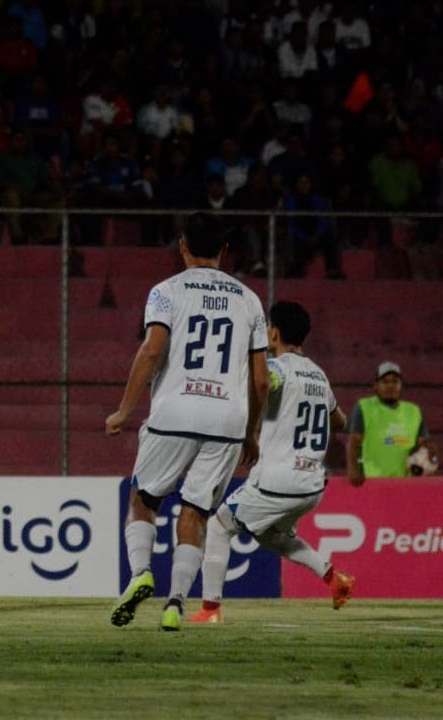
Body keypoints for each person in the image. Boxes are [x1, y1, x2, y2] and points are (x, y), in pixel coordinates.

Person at [105, 212, 269, 632]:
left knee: (143, 499)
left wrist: (125, 409)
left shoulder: (165, 292)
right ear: (225, 251)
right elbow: (262, 378)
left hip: (175, 411)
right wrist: (251, 431)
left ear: (182, 246)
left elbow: (151, 349)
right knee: (194, 511)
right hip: (228, 420)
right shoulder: (249, 299)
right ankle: (177, 600)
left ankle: (141, 572)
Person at [191, 301, 356, 624]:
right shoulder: (319, 376)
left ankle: (210, 610)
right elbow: (341, 420)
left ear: (275, 333)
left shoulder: (278, 367)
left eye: (268, 327)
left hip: (278, 481)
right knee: (272, 536)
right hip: (310, 486)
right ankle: (335, 579)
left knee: (219, 525)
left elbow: (265, 382)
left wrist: (251, 423)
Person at [346, 362, 438, 483]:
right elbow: (353, 442)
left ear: (401, 385)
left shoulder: (413, 411)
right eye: (385, 381)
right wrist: (353, 470)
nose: (390, 385)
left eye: (395, 381)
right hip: (373, 482)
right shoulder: (364, 407)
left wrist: (429, 452)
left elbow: (423, 443)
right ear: (376, 386)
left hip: (406, 484)